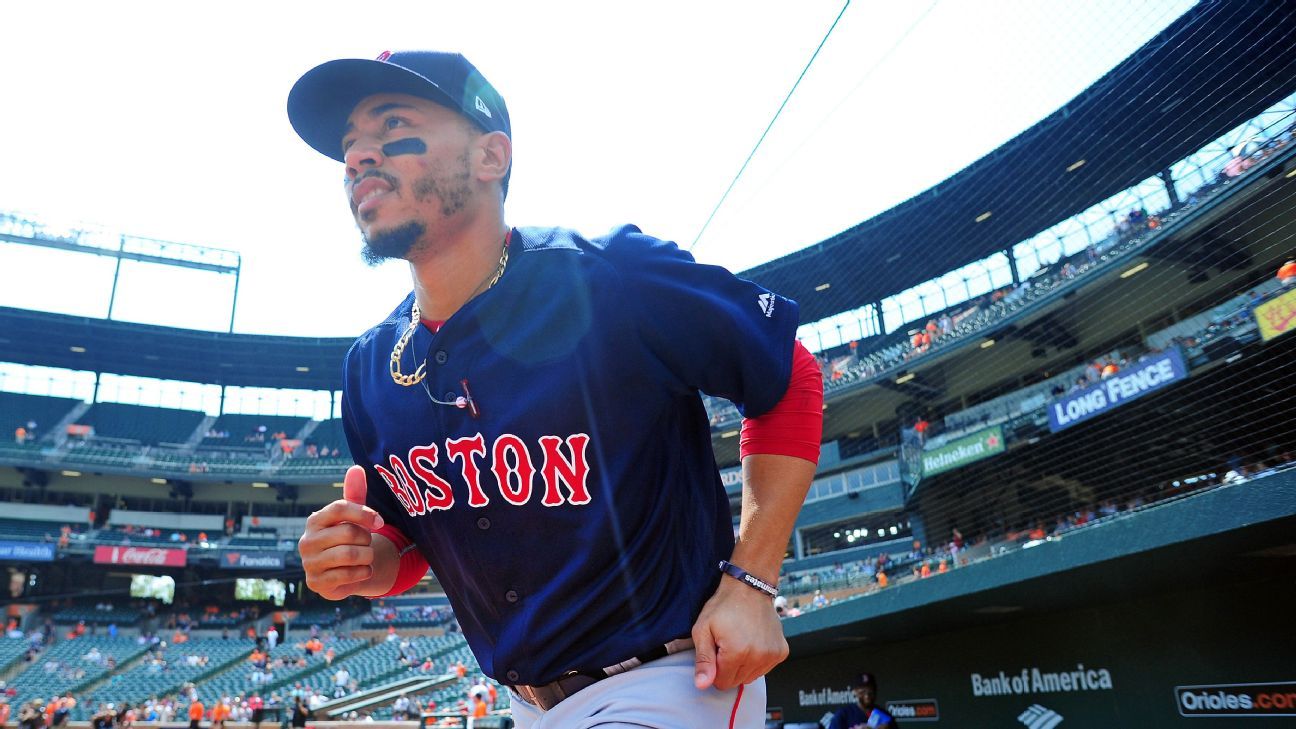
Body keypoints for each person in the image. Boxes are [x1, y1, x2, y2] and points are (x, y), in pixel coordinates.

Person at [289, 50, 822, 729]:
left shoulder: (608, 275)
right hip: (527, 707)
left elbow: (787, 374)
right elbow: (409, 539)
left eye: (392, 124)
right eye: (349, 144)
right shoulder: (370, 366)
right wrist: (364, 561)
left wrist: (752, 581)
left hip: (668, 681)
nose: (359, 155)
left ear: (490, 156)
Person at [826, 673, 896, 729]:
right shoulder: (843, 714)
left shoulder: (885, 715)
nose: (867, 696)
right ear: (855, 692)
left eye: (870, 692)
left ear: (875, 691)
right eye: (862, 692)